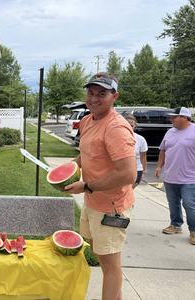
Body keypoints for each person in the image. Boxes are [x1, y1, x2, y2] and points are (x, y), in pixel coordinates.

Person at [64, 72, 136, 300]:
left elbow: (127, 174)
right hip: (93, 201)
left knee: (110, 263)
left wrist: (86, 186)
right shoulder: (87, 120)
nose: (94, 98)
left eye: (102, 94)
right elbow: (86, 155)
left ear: (115, 96)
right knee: (102, 257)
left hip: (111, 207)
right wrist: (70, 168)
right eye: (91, 92)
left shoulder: (115, 128)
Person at [155, 107, 195, 245]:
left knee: (190, 204)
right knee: (173, 203)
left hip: (190, 177)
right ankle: (176, 225)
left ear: (184, 118)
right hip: (170, 175)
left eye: (174, 117)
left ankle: (194, 231)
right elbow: (163, 150)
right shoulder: (170, 132)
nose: (171, 119)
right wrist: (160, 166)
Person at [125, 114, 148, 188]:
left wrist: (144, 170)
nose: (129, 127)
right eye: (126, 125)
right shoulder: (115, 138)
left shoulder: (140, 139)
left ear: (135, 126)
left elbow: (143, 157)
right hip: (121, 170)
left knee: (129, 192)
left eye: (131, 125)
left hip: (136, 170)